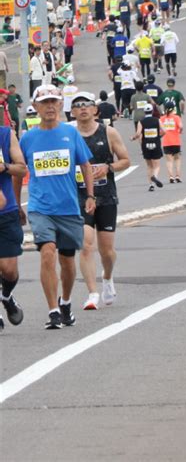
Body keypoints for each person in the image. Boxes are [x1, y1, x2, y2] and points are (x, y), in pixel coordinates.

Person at [19, 85, 96, 329]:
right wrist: (15, 203)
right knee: (47, 252)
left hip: (69, 207)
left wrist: (90, 195)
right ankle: (53, 310)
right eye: (45, 103)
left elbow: (85, 165)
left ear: (61, 104)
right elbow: (19, 171)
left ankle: (66, 301)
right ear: (36, 107)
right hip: (40, 207)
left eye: (54, 102)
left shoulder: (70, 133)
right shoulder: (28, 138)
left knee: (67, 261)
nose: (50, 106)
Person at [71, 92, 130, 310]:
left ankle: (107, 276)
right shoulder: (69, 134)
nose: (83, 109)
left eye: (87, 105)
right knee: (86, 244)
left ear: (95, 110)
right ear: (72, 112)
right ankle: (92, 292)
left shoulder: (109, 132)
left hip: (106, 196)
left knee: (107, 251)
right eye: (78, 106)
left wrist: (108, 167)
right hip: (79, 197)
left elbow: (126, 160)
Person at [0, 126, 27, 331]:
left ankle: (6, 296)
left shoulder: (5, 134)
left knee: (9, 270)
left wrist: (5, 167)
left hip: (6, 212)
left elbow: (21, 168)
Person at [132, 103, 164, 191]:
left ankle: (151, 185)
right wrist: (159, 136)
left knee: (149, 166)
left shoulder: (141, 122)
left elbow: (138, 133)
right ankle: (155, 177)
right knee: (157, 165)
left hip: (145, 145)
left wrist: (133, 137)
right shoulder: (157, 120)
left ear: (144, 112)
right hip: (156, 143)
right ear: (152, 111)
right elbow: (164, 130)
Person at [160, 107, 183, 183]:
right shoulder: (176, 117)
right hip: (175, 141)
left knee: (169, 160)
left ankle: (171, 176)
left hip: (166, 141)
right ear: (173, 109)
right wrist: (180, 131)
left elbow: (160, 130)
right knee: (177, 159)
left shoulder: (162, 118)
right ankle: (178, 175)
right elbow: (181, 126)